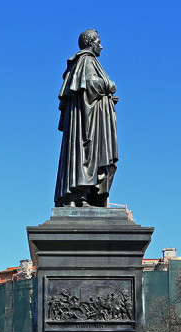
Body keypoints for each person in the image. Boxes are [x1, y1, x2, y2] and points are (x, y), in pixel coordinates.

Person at [55, 29, 118, 208]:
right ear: (91, 43)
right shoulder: (87, 60)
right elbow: (91, 84)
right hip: (87, 125)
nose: (101, 46)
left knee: (89, 156)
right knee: (87, 155)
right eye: (98, 42)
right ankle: (81, 196)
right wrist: (109, 85)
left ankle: (85, 196)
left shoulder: (82, 63)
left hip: (89, 118)